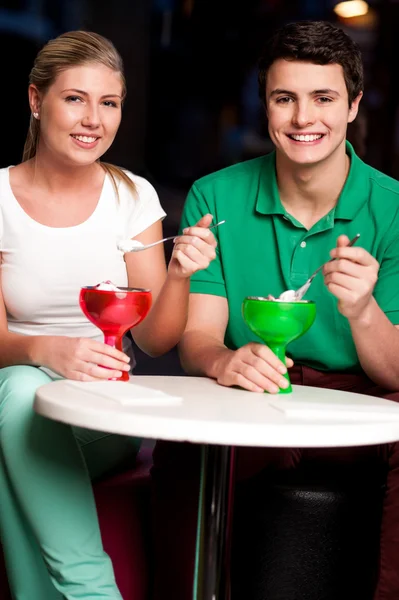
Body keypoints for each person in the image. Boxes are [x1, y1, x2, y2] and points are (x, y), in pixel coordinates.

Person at [151, 20, 399, 600]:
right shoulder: (217, 195)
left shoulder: (393, 208)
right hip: (255, 397)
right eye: (284, 98)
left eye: (323, 98)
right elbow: (198, 339)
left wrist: (362, 310)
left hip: (357, 401)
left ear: (354, 105)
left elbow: (395, 375)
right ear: (264, 105)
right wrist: (225, 363)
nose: (302, 118)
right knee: (188, 442)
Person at [0, 30, 217, 600]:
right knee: (20, 391)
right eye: (75, 98)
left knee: (13, 411)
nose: (93, 118)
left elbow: (153, 339)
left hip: (102, 415)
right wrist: (48, 350)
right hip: (17, 398)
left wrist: (178, 276)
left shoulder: (132, 197)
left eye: (109, 102)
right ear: (35, 99)